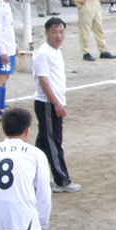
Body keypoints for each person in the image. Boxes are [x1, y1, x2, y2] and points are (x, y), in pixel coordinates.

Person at [33, 17, 78, 192]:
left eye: (61, 32)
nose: (58, 36)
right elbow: (43, 80)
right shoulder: (43, 53)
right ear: (46, 33)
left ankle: (33, 177)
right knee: (53, 142)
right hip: (47, 104)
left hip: (53, 103)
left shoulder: (55, 51)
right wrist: (57, 103)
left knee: (43, 144)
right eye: (54, 32)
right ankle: (61, 180)